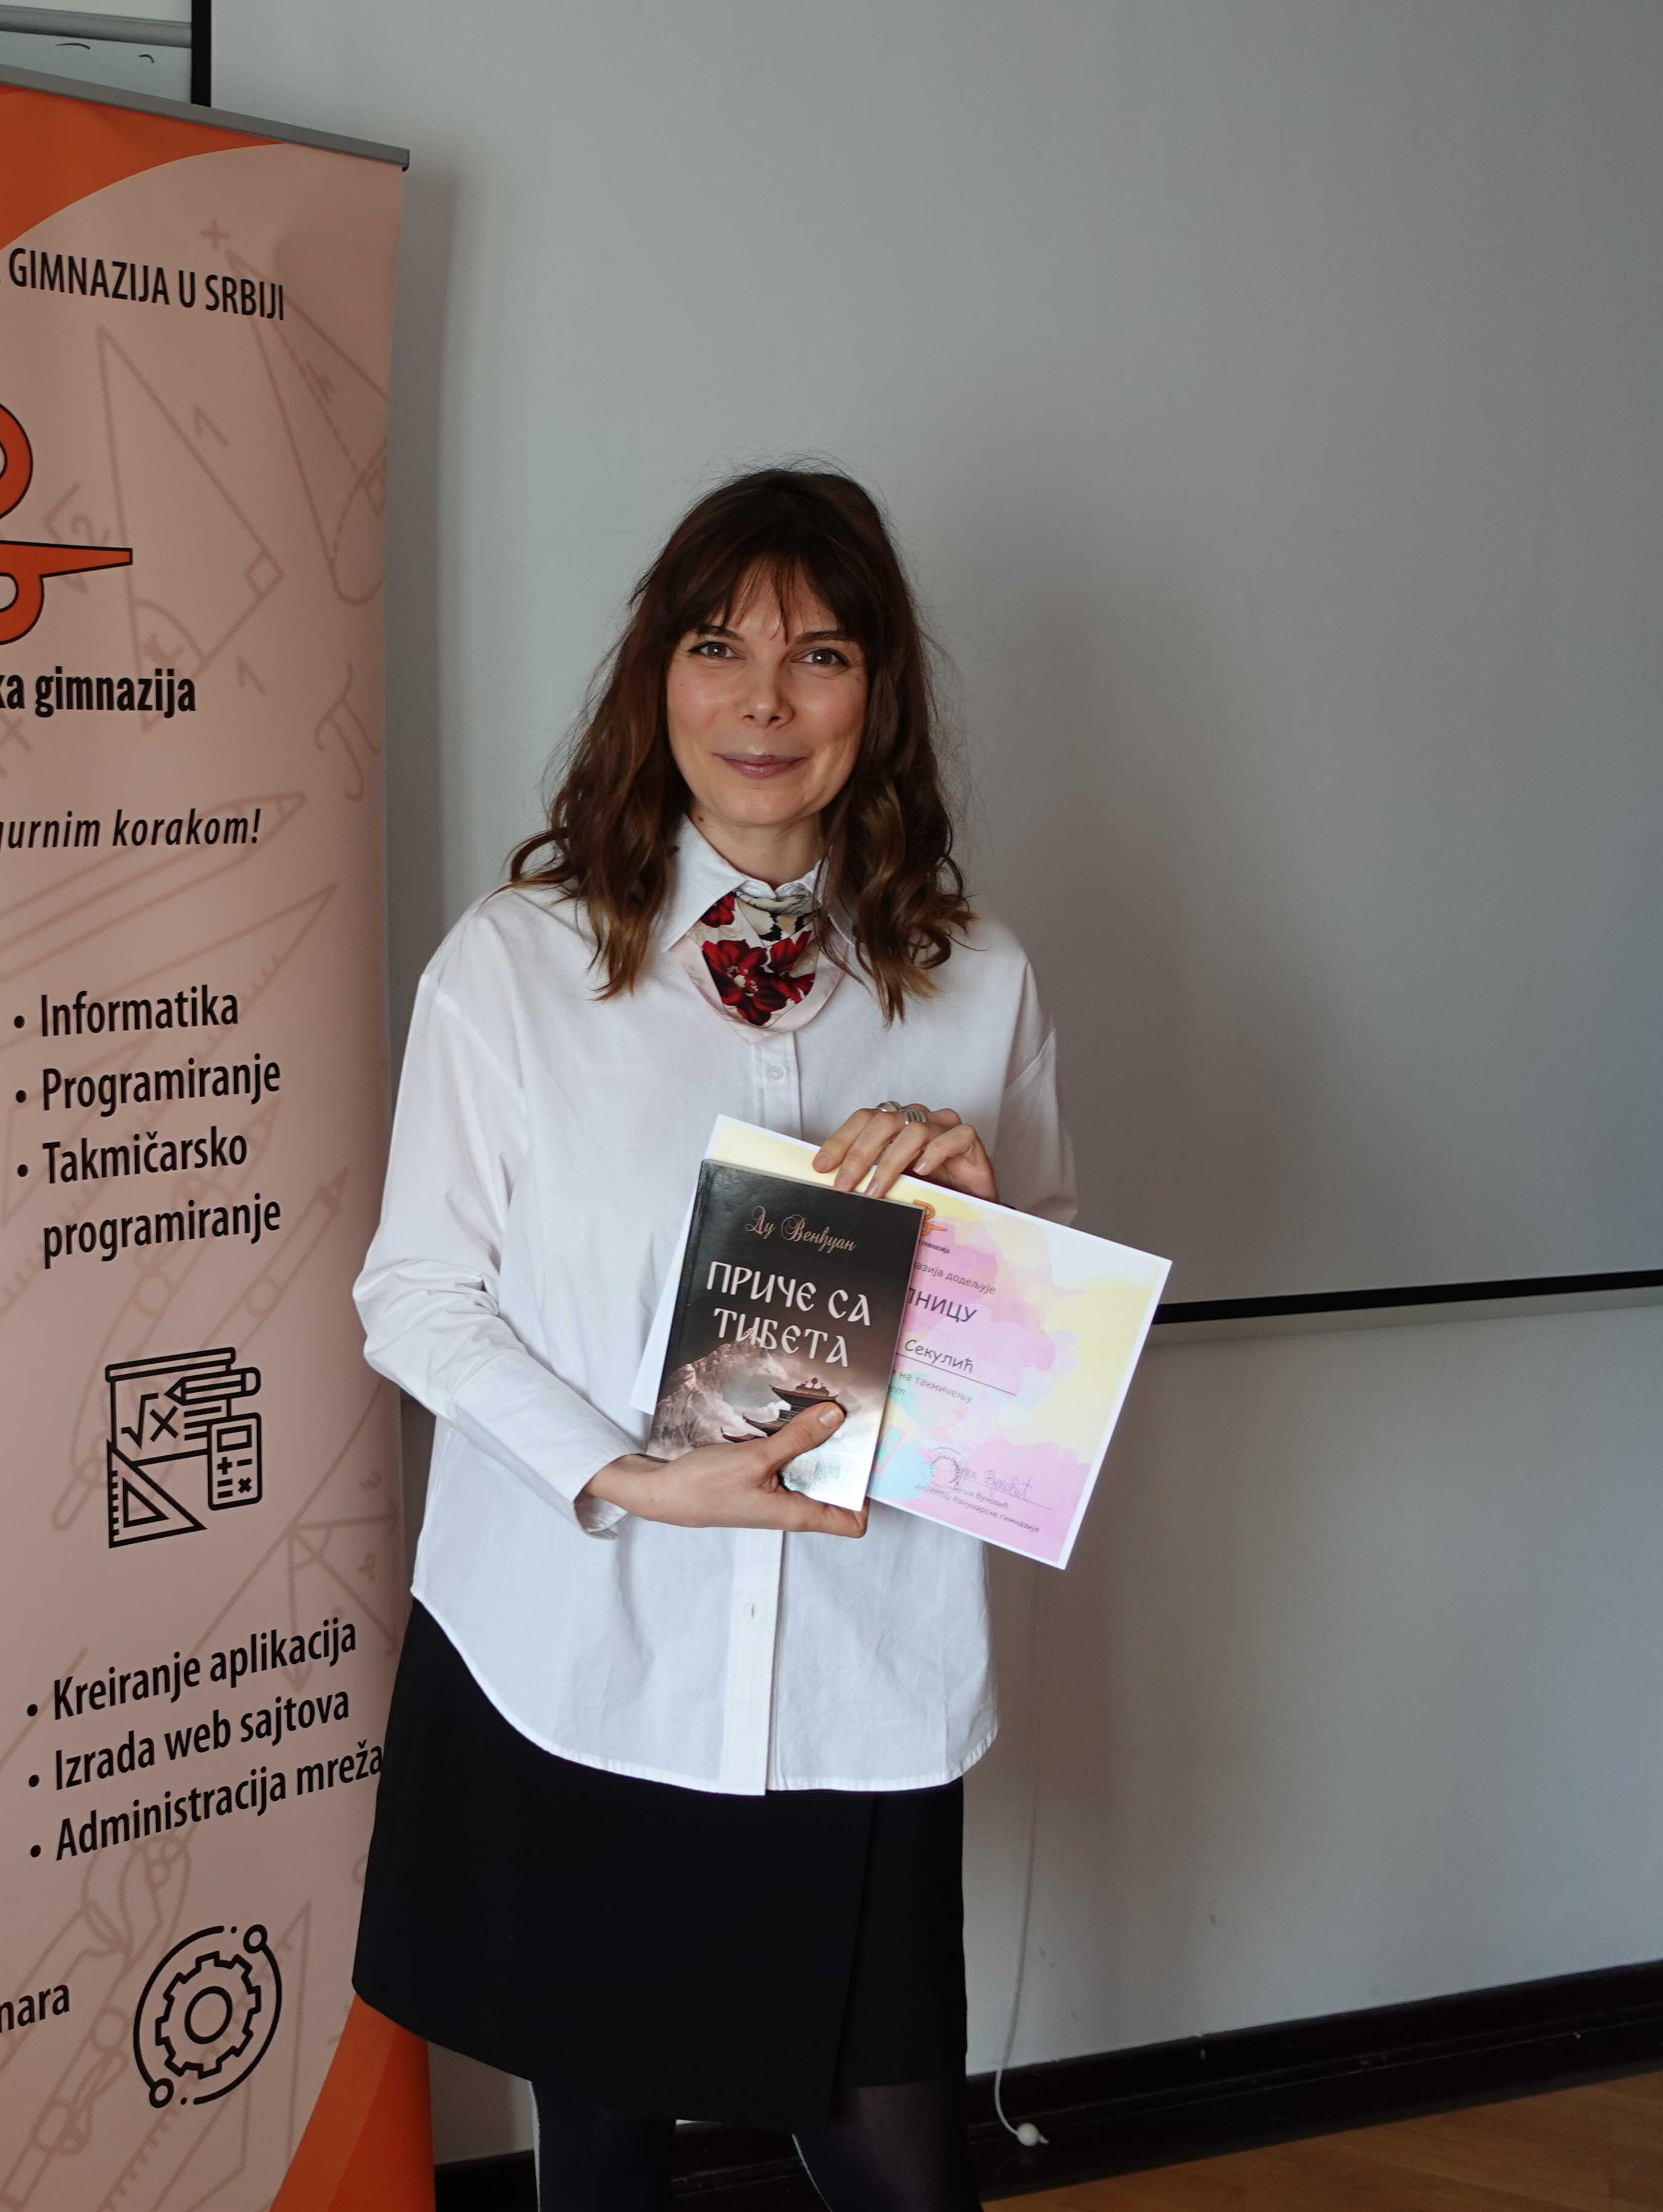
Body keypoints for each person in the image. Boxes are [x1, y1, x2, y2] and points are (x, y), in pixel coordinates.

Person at [350, 468, 1073, 2212]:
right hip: (582, 1664)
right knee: (601, 2168)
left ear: (877, 694)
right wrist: (624, 1478)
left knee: (902, 2172)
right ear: (654, 675)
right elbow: (414, 1294)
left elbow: (1039, 1377)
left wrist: (985, 1220)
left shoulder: (977, 980)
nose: (763, 701)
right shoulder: (517, 966)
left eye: (819, 655)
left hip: (855, 1682)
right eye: (716, 646)